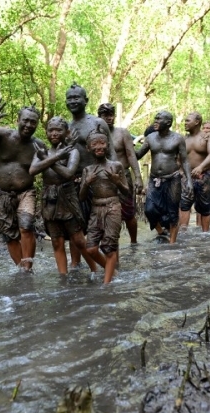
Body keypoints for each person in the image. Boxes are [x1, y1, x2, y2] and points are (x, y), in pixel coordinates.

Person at [0, 99, 43, 272]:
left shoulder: (38, 145)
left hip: (26, 192)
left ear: (37, 125)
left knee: (26, 225)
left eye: (32, 122)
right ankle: (22, 270)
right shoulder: (3, 135)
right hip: (2, 193)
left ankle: (27, 266)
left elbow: (49, 167)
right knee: (9, 234)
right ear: (17, 120)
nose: (28, 125)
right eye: (25, 120)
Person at [28, 117, 97, 275]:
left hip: (67, 196)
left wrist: (49, 159)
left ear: (66, 132)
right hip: (49, 199)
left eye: (58, 130)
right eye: (50, 130)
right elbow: (33, 170)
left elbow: (68, 173)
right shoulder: (42, 151)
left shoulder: (72, 151)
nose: (54, 133)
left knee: (78, 239)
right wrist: (53, 157)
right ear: (46, 132)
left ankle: (95, 269)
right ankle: (63, 276)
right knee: (56, 241)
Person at [65, 84, 115, 266]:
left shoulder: (97, 123)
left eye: (76, 97)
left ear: (86, 101)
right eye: (69, 98)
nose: (73, 101)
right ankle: (75, 266)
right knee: (75, 229)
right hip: (73, 181)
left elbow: (111, 153)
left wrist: (114, 181)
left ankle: (109, 264)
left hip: (98, 181)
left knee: (100, 225)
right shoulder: (65, 126)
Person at [79, 127, 129, 284]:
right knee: (91, 249)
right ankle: (112, 271)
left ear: (108, 145)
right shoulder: (87, 170)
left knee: (109, 247)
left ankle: (106, 286)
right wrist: (86, 184)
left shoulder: (116, 166)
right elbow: (81, 197)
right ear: (88, 148)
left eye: (102, 143)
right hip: (96, 208)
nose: (99, 146)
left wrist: (118, 182)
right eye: (94, 143)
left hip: (113, 206)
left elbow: (127, 192)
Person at [136, 111, 191, 243]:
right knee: (149, 209)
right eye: (155, 119)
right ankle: (161, 231)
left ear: (168, 122)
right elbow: (138, 155)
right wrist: (126, 149)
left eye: (158, 119)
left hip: (173, 179)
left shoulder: (177, 138)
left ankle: (172, 244)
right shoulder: (150, 138)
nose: (155, 121)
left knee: (173, 211)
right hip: (155, 179)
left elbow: (185, 160)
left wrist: (189, 180)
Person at [98, 103, 143, 244]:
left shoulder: (122, 133)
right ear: (99, 117)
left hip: (123, 176)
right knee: (104, 211)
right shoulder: (95, 135)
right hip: (103, 179)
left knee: (128, 212)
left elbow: (131, 155)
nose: (109, 118)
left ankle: (134, 242)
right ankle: (109, 243)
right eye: (105, 115)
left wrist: (138, 177)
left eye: (111, 115)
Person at [179, 112, 210, 231]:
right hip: (186, 177)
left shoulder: (207, 137)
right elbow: (178, 158)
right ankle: (184, 232)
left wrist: (201, 167)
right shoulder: (183, 139)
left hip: (203, 176)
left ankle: (205, 234)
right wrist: (180, 171)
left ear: (196, 122)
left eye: (187, 121)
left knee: (204, 206)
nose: (185, 123)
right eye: (185, 121)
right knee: (184, 204)